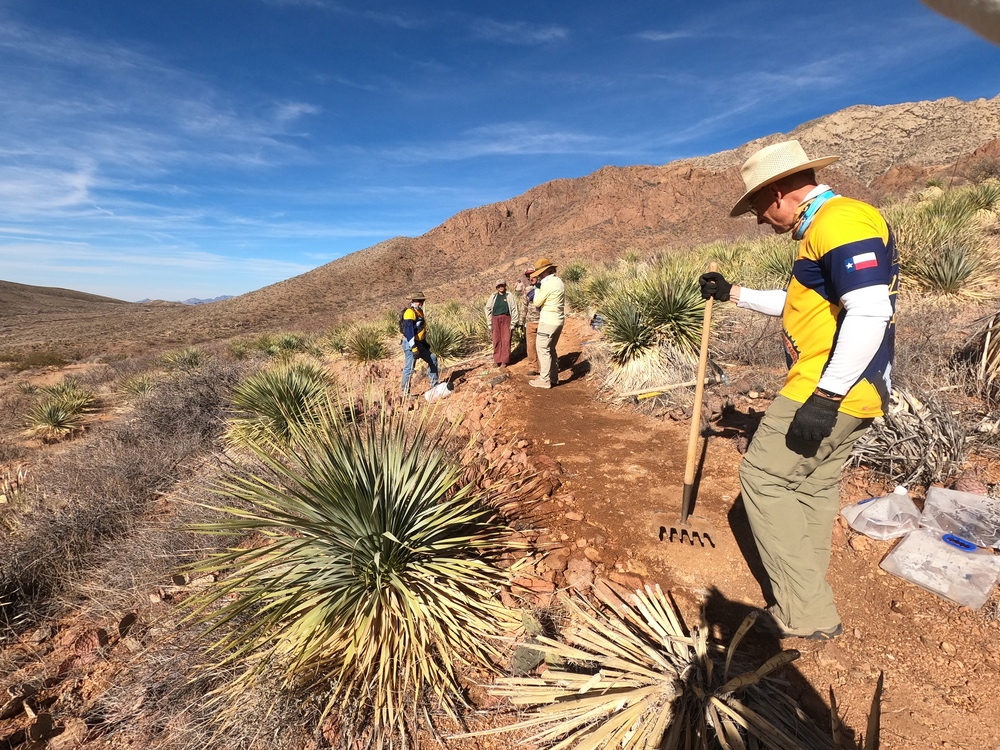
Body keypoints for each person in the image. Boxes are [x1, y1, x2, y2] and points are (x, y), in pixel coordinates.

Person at [700, 139, 897, 641]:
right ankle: (807, 593)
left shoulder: (840, 221)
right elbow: (799, 303)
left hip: (826, 385)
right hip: (856, 389)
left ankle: (804, 611)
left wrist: (826, 396)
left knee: (763, 479)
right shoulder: (824, 229)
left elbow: (870, 310)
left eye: (759, 208)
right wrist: (734, 293)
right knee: (810, 485)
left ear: (777, 192)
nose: (761, 220)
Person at [529, 258, 565, 389]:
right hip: (559, 320)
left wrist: (537, 288)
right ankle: (554, 378)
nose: (539, 276)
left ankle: (544, 380)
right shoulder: (559, 281)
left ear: (546, 271)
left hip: (548, 321)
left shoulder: (547, 283)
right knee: (551, 349)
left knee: (543, 349)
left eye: (540, 273)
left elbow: (537, 302)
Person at [400, 291, 439, 396]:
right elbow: (409, 332)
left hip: (420, 344)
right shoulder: (409, 312)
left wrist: (424, 343)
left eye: (422, 301)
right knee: (409, 368)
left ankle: (434, 386)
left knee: (433, 359)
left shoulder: (420, 311)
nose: (421, 303)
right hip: (411, 344)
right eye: (419, 301)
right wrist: (413, 347)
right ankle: (405, 393)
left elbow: (420, 328)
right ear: (413, 301)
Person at [485, 279, 519, 369]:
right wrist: (489, 322)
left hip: (506, 318)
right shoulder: (493, 296)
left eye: (502, 285)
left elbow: (514, 308)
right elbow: (487, 308)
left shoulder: (509, 295)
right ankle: (497, 360)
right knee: (496, 339)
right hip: (495, 319)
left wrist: (513, 322)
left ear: (505, 286)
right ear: (497, 287)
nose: (501, 287)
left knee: (506, 339)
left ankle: (504, 360)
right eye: (499, 286)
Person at [520, 267, 541, 376]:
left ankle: (547, 367)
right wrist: (521, 321)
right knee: (531, 346)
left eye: (533, 275)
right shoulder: (527, 290)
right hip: (530, 322)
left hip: (543, 321)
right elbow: (524, 306)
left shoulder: (544, 287)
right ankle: (533, 367)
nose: (531, 278)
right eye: (529, 276)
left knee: (543, 345)